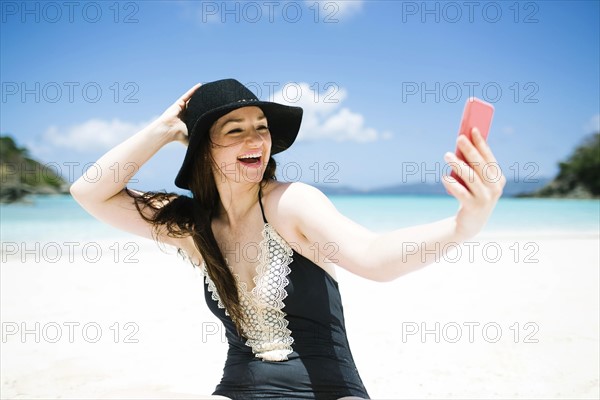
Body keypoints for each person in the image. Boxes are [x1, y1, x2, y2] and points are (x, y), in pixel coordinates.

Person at [70, 78, 505, 399]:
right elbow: (89, 192)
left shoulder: (291, 203)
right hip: (238, 388)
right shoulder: (192, 227)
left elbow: (373, 257)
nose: (256, 138)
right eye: (234, 129)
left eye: (261, 127)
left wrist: (461, 226)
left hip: (327, 389)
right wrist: (164, 130)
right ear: (205, 149)